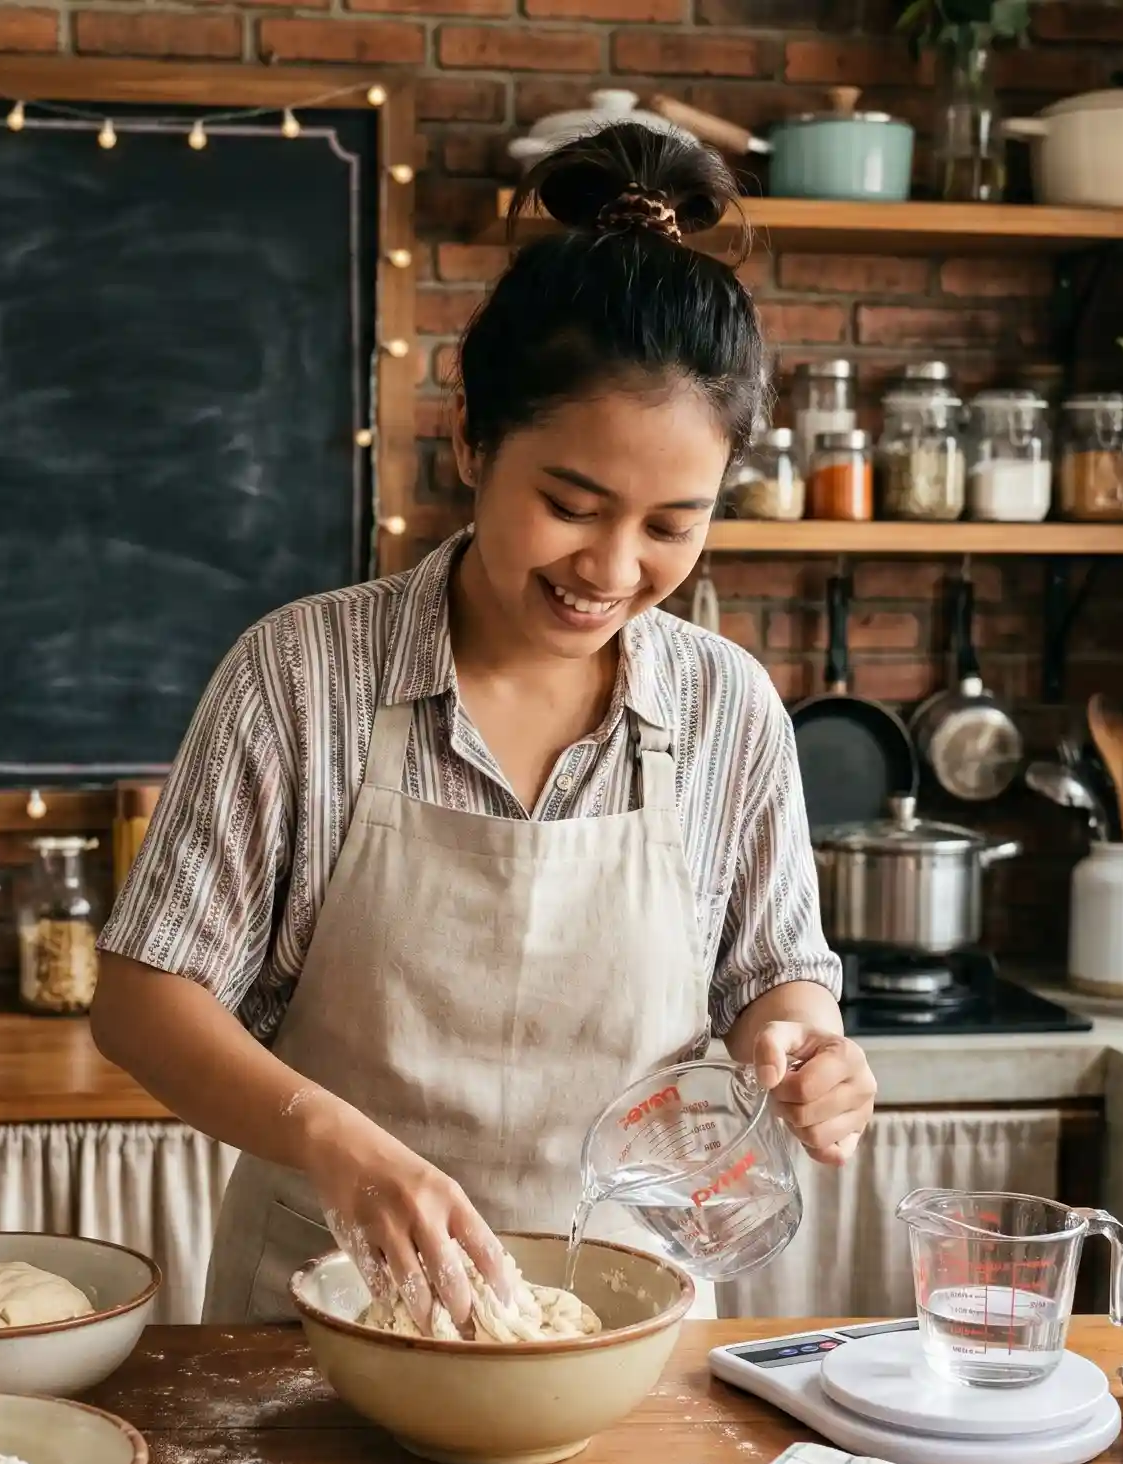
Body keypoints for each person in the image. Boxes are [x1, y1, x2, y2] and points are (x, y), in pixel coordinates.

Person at [93, 124, 874, 1328]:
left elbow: (771, 981)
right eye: (570, 504)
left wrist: (808, 1050)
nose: (611, 567)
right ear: (468, 439)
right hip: (323, 1308)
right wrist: (335, 1139)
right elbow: (144, 1000)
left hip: (619, 1314)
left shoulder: (726, 708)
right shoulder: (302, 675)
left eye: (671, 525)